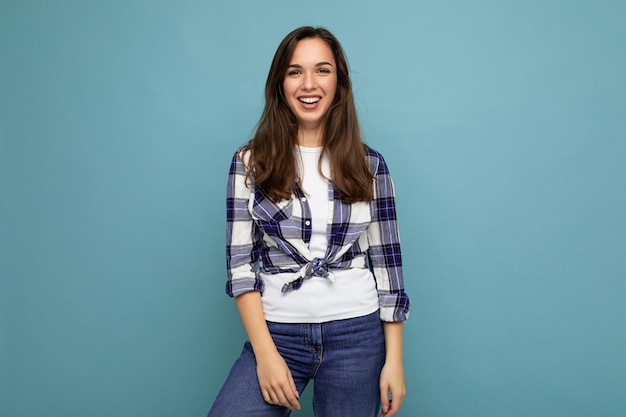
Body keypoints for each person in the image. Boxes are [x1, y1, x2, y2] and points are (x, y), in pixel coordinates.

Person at [208, 26, 410, 417]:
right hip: (278, 333)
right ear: (280, 83)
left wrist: (394, 361)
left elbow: (388, 267)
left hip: (356, 335)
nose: (309, 83)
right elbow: (240, 267)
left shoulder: (370, 166)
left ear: (339, 82)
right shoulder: (250, 162)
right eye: (295, 71)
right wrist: (266, 355)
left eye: (322, 70)